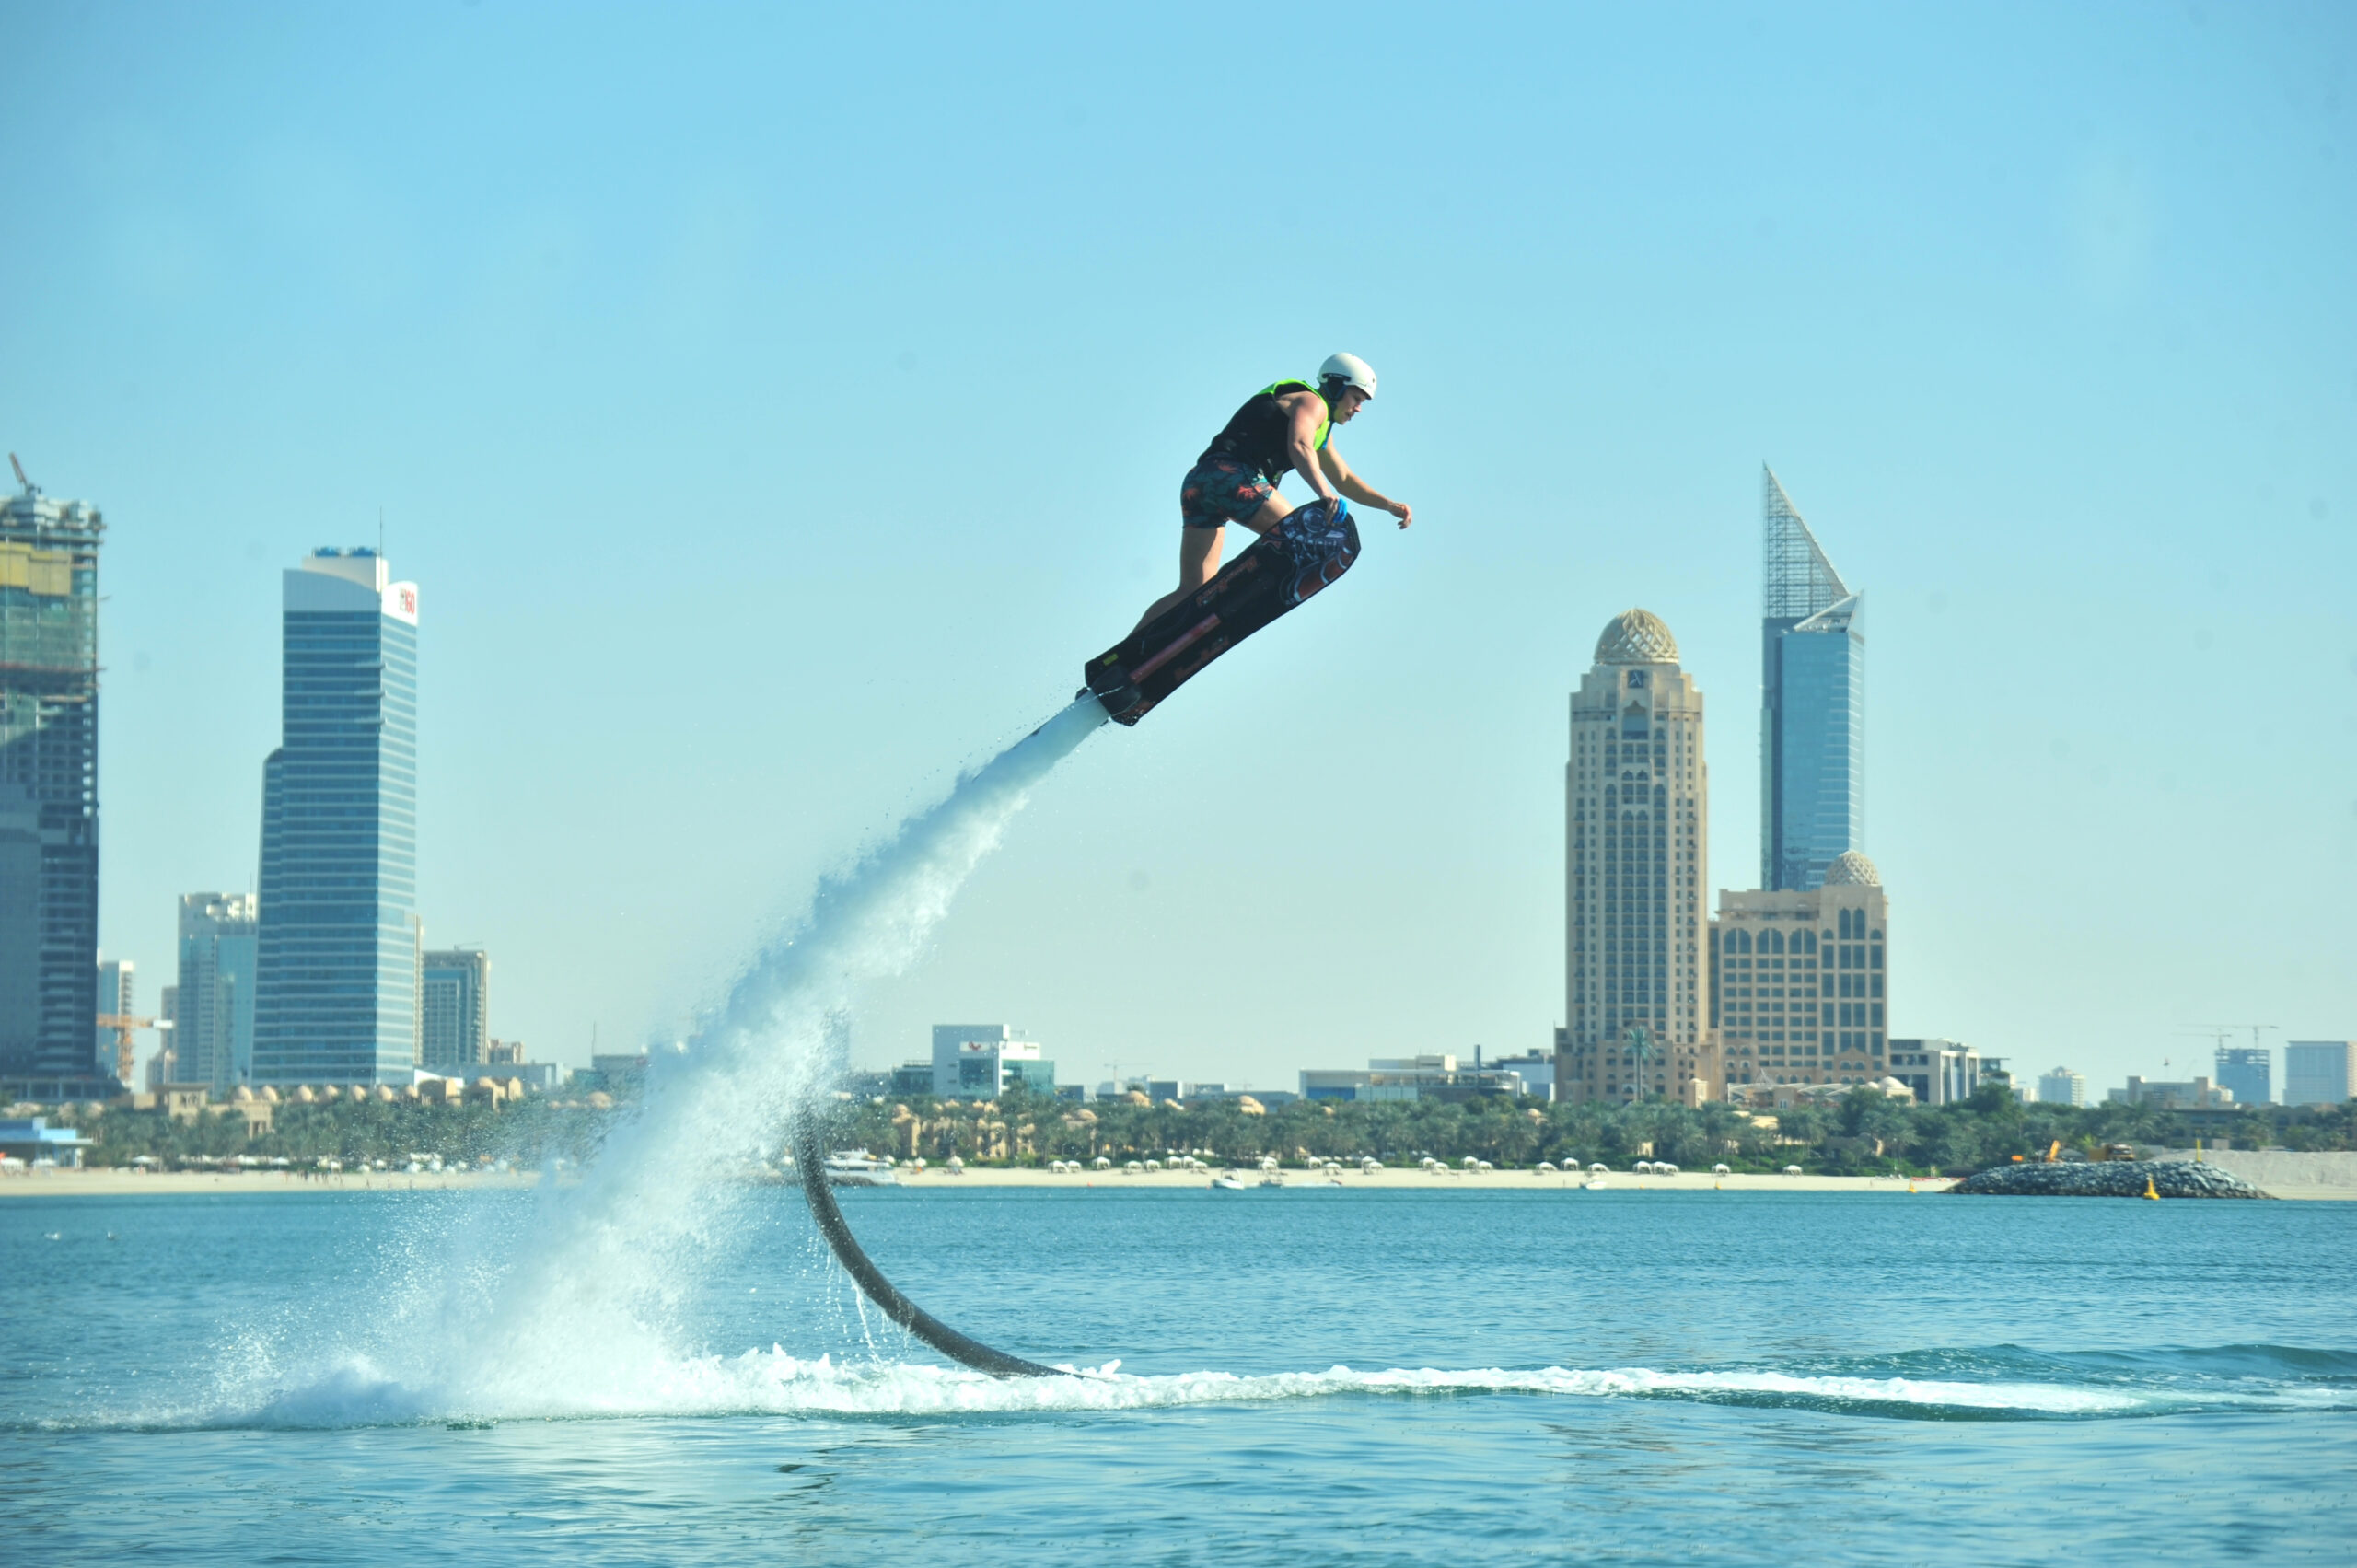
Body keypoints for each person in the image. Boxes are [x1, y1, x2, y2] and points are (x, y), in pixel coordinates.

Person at [1130, 353, 1413, 632]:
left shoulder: (1322, 430)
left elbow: (1344, 478)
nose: (1358, 409)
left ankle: (1118, 662)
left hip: (1199, 482)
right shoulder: (1312, 402)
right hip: (1232, 476)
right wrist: (1324, 494)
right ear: (1337, 385)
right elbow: (1300, 445)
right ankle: (1235, 592)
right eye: (1356, 399)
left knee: (1193, 590)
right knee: (1301, 538)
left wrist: (1387, 504)